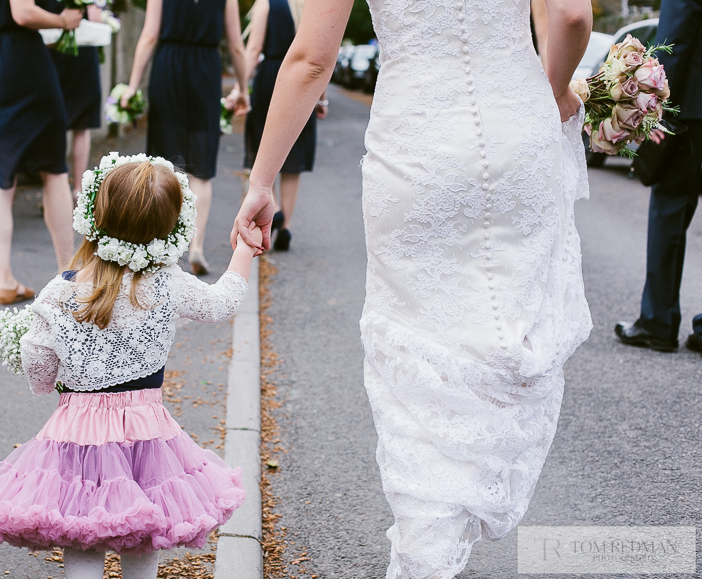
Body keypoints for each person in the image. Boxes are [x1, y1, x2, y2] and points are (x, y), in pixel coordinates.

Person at [232, 0, 593, 576]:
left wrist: (261, 180)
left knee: (416, 352)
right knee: (504, 329)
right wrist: (552, 92)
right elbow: (572, 16)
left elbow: (310, 58)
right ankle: (464, 500)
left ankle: (430, 544)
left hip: (418, 150)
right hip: (519, 135)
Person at [0, 156, 259, 579]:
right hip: (146, 435)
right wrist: (245, 247)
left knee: (82, 531)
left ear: (95, 215)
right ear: (171, 227)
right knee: (141, 530)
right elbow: (222, 302)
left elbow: (41, 379)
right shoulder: (169, 284)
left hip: (75, 436)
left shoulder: (57, 294)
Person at [120, 0, 250, 275]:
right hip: (205, 71)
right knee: (201, 168)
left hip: (168, 68)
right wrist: (243, 88)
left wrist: (132, 86)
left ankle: (162, 245)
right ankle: (197, 247)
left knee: (162, 163)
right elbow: (237, 46)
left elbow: (149, 36)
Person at [0, 0, 78, 304]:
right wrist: (63, 20)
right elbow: (23, 12)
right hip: (22, 61)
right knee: (54, 170)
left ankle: (4, 281)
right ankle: (66, 275)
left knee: (1, 175)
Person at [614, 0, 702, 356]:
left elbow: (675, 41)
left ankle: (658, 322)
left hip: (692, 110)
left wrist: (655, 105)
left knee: (669, 206)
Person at [232, 0, 327, 251]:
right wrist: (321, 97)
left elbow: (252, 51)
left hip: (270, 83)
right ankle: (285, 225)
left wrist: (239, 88)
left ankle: (267, 216)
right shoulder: (310, 7)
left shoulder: (266, 4)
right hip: (302, 87)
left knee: (269, 150)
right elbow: (318, 57)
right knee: (293, 158)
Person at [44, 1, 104, 200]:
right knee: (82, 124)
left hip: (52, 50)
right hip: (81, 50)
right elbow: (95, 17)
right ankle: (78, 188)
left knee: (53, 123)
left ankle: (54, 191)